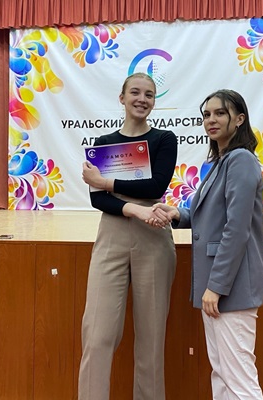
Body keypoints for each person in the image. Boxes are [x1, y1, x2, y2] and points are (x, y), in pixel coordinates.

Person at [150, 89, 263, 399]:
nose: (211, 120)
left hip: (229, 288)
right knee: (223, 374)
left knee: (239, 380)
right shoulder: (222, 161)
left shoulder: (241, 161)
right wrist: (178, 214)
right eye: (206, 115)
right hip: (218, 289)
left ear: (239, 119)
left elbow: (236, 230)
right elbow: (212, 217)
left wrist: (216, 286)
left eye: (220, 113)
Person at [78, 72, 178, 400]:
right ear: (122, 98)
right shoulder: (104, 143)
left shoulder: (165, 139)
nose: (142, 99)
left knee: (151, 340)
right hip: (112, 236)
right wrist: (133, 209)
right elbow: (98, 199)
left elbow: (155, 186)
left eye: (149, 95)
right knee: (97, 334)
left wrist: (105, 182)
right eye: (135, 92)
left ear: (154, 102)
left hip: (154, 238)